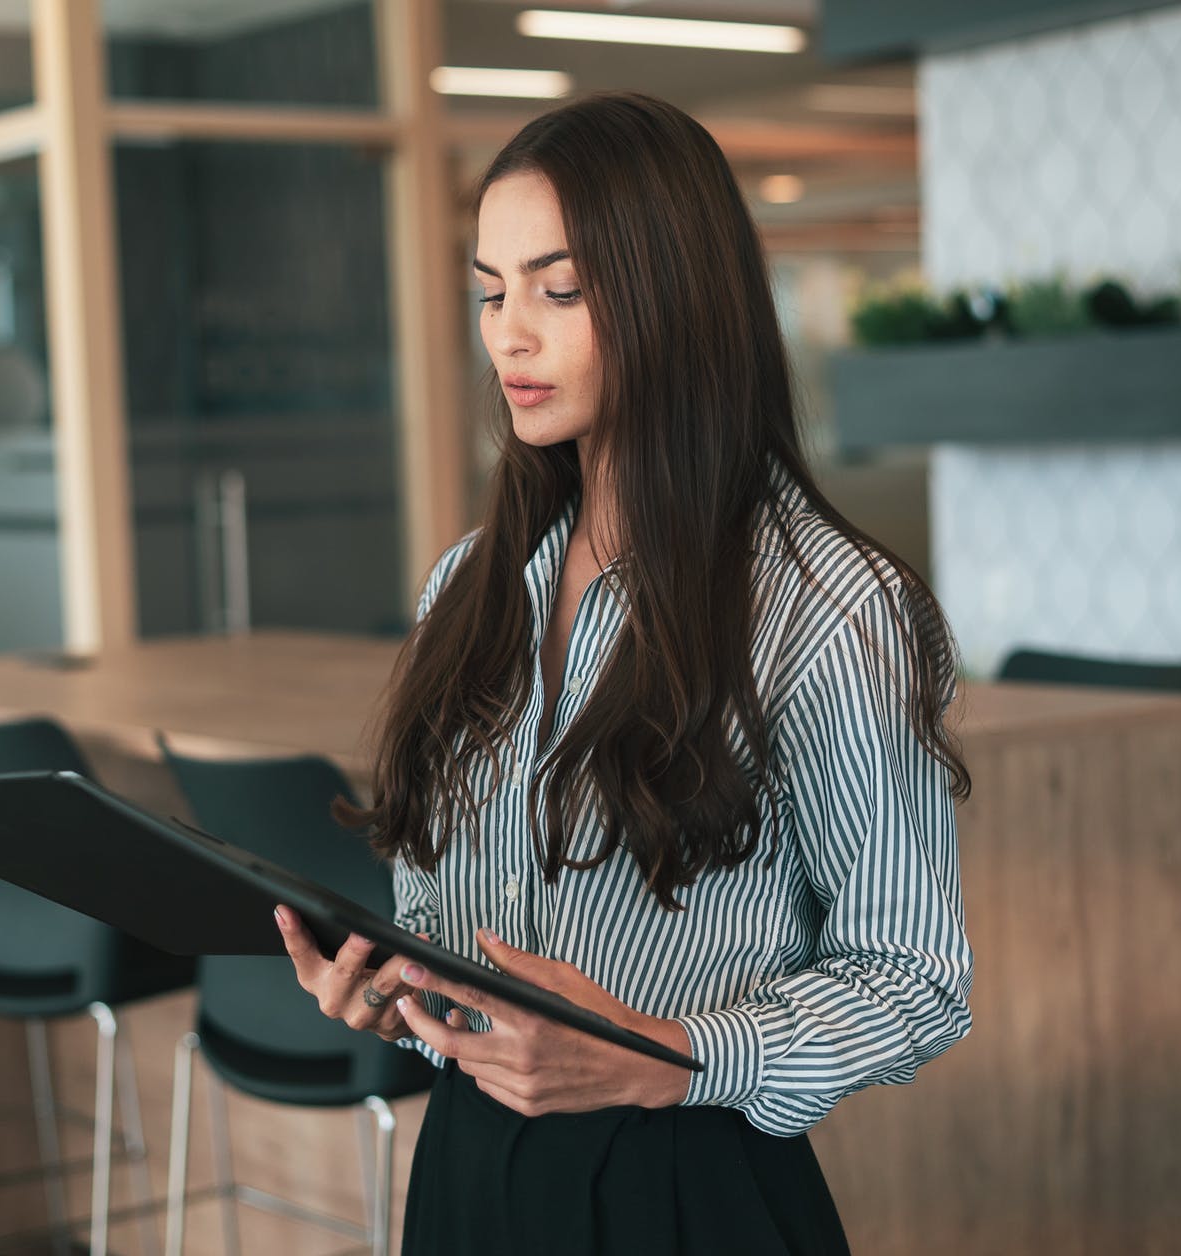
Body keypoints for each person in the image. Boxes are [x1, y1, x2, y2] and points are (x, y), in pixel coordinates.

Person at [274, 90, 974, 1255]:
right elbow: (444, 927)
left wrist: (669, 1053)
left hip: (684, 1186)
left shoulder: (831, 606)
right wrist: (395, 996)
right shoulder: (466, 586)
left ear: (674, 295)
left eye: (558, 289)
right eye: (490, 291)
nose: (509, 333)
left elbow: (911, 978)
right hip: (464, 1169)